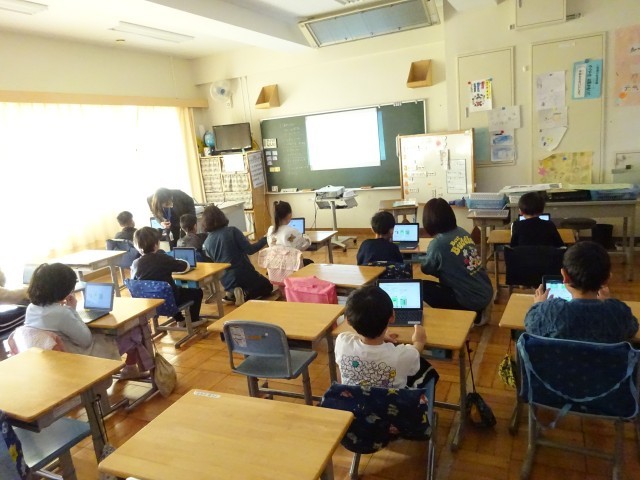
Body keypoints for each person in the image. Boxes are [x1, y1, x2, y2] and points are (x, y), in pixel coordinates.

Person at [525, 241, 638, 342]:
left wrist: (538, 304)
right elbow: (632, 329)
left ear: (565, 276)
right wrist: (608, 302)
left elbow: (531, 326)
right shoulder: (618, 312)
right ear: (607, 279)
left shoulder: (549, 312)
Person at [335, 285, 438, 389]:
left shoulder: (342, 342)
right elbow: (415, 353)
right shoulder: (401, 356)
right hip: (391, 399)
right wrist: (419, 341)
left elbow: (356, 336)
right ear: (392, 317)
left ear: (347, 320)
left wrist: (379, 335)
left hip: (352, 397)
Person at [23, 263, 124, 361]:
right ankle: (126, 366)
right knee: (116, 336)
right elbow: (86, 341)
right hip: (74, 357)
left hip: (47, 359)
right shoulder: (62, 313)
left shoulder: (31, 308)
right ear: (61, 290)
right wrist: (72, 310)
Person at [420, 198, 493, 316]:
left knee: (421, 288)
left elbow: (427, 268)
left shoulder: (438, 244)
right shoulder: (462, 232)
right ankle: (480, 311)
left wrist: (418, 259)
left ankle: (473, 315)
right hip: (485, 291)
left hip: (470, 299)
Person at [202, 205, 272, 305]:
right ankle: (244, 294)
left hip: (225, 280)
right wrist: (265, 239)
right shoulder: (232, 231)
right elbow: (250, 250)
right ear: (221, 216)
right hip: (243, 274)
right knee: (267, 286)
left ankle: (231, 294)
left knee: (240, 283)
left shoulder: (207, 242)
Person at [131, 227, 203, 323]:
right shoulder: (162, 258)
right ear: (156, 244)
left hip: (149, 303)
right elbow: (185, 266)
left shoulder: (135, 264)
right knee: (196, 292)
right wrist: (176, 260)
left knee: (167, 290)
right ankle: (194, 320)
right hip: (170, 301)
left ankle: (180, 319)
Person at [266, 201, 313, 266]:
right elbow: (304, 245)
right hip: (291, 266)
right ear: (289, 215)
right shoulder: (292, 231)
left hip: (274, 266)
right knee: (310, 263)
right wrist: (307, 238)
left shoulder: (270, 229)